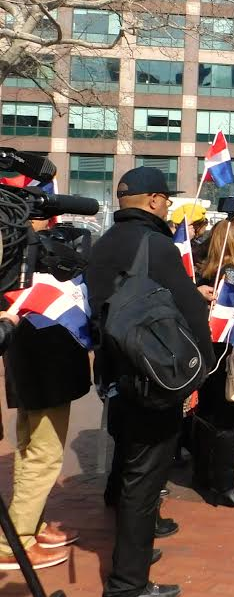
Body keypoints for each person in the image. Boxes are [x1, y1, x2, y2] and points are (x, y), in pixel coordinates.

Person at [85, 166, 215, 597]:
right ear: (156, 200)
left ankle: (132, 551)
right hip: (154, 379)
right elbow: (191, 312)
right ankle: (128, 583)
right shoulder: (156, 245)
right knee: (144, 481)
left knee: (128, 464)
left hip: (115, 374)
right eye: (167, 199)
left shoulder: (102, 243)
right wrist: (201, 369)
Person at [0, 221, 89, 571]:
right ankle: (16, 541)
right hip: (41, 368)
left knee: (31, 448)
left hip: (32, 367)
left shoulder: (22, 253)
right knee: (43, 454)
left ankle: (27, 525)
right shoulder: (21, 252)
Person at [193, 219, 234, 507]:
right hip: (224, 356)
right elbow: (233, 321)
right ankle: (225, 486)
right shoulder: (231, 275)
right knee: (227, 422)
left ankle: (203, 475)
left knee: (207, 418)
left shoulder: (208, 271)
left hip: (209, 355)